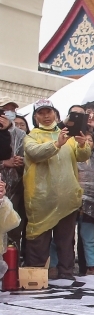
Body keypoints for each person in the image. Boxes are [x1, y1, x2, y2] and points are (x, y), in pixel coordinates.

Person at [22, 100, 93, 279]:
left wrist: (83, 144)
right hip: (41, 200)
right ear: (35, 116)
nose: (46, 116)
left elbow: (82, 156)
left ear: (55, 114)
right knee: (38, 240)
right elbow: (35, 153)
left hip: (67, 199)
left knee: (66, 241)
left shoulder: (67, 135)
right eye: (41, 113)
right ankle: (35, 276)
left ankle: (66, 274)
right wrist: (57, 144)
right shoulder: (31, 136)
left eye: (49, 112)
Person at [68, 104, 94, 276]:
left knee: (89, 238)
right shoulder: (72, 155)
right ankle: (59, 264)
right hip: (71, 201)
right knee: (65, 237)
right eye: (85, 140)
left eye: (90, 140)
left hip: (92, 204)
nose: (87, 142)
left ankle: (91, 266)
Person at [0, 107, 26, 257]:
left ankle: (11, 268)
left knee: (13, 228)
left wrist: (20, 161)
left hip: (14, 189)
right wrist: (4, 163)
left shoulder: (19, 135)